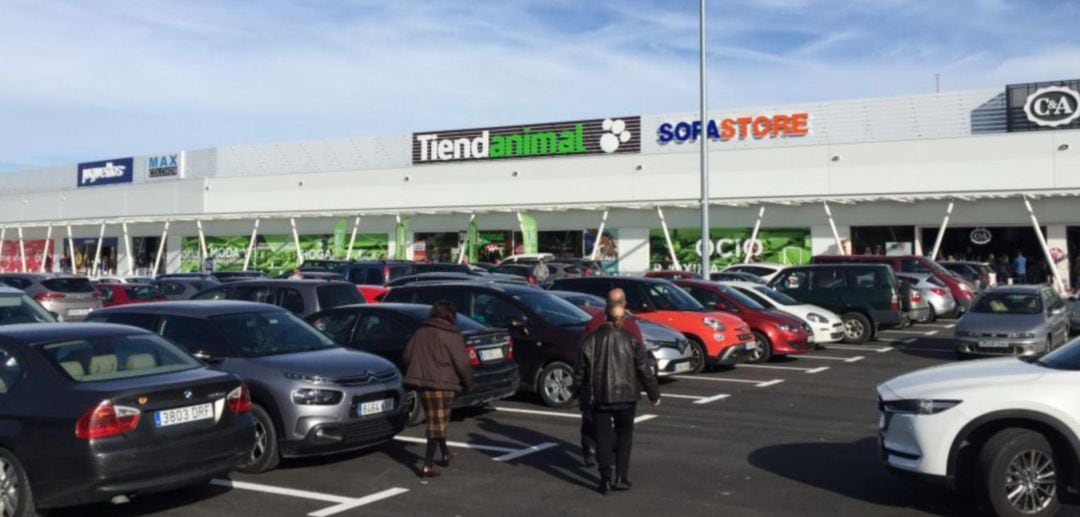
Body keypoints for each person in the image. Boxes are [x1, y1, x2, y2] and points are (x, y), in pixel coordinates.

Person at [574, 291, 661, 494]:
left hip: (600, 395)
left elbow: (580, 370)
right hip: (626, 394)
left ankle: (604, 478)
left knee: (603, 436)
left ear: (605, 311)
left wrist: (578, 392)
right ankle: (621, 476)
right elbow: (643, 368)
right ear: (622, 314)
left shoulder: (590, 339)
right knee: (624, 435)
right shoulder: (631, 338)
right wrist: (653, 393)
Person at [403, 300, 474, 478]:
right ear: (451, 315)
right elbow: (463, 363)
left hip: (423, 385)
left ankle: (445, 453)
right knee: (437, 422)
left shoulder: (420, 332)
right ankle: (427, 464)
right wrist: (469, 384)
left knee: (436, 419)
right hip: (445, 384)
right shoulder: (451, 335)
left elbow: (406, 356)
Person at [579, 289, 643, 468]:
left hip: (596, 382)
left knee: (593, 420)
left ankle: (591, 450)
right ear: (624, 303)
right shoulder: (631, 326)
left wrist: (581, 384)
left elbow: (583, 351)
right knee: (621, 428)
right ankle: (613, 463)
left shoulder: (594, 323)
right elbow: (639, 357)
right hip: (623, 384)